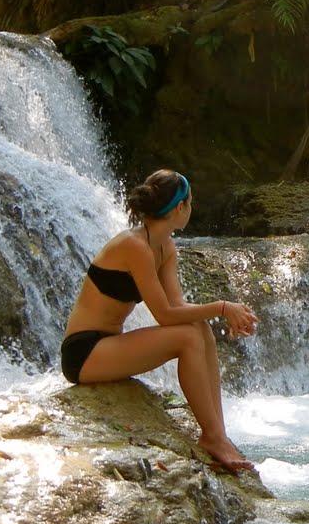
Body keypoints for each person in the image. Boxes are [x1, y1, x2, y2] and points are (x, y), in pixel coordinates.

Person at [60, 169, 260, 473]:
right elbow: (165, 315)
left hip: (108, 346)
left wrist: (223, 311)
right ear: (180, 208)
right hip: (84, 353)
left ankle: (218, 434)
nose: (192, 208)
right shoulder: (134, 246)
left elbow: (177, 306)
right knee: (187, 337)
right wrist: (222, 307)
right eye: (190, 202)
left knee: (198, 328)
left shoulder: (165, 247)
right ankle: (213, 436)